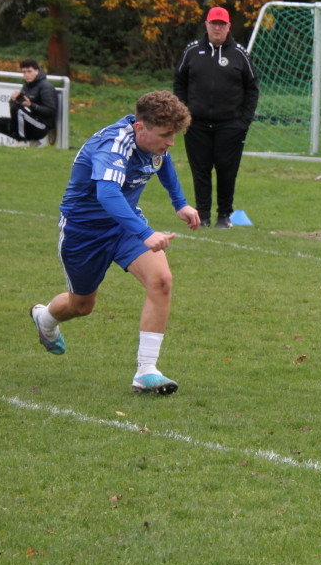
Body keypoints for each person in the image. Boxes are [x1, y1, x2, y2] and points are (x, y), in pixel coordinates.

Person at [28, 90, 201, 395]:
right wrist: (145, 233)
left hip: (124, 226)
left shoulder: (153, 142)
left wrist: (180, 203)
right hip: (84, 233)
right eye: (166, 135)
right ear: (140, 127)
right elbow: (107, 194)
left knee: (161, 281)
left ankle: (146, 371)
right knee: (82, 305)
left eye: (174, 134)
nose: (172, 142)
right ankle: (45, 319)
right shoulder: (113, 145)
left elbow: (162, 161)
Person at [173, 6, 259, 229]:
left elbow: (252, 88)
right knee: (200, 170)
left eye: (222, 24)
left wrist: (244, 121)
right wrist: (184, 113)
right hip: (197, 125)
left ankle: (224, 215)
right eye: (214, 24)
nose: (217, 28)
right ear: (207, 25)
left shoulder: (239, 53)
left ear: (229, 27)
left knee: (226, 171)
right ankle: (202, 216)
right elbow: (179, 82)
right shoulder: (192, 51)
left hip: (231, 125)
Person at [0, 59, 58, 144]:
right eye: (24, 72)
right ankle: (29, 141)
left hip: (42, 126)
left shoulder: (46, 86)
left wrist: (31, 105)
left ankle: (22, 141)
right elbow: (15, 108)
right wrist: (13, 100)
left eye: (29, 71)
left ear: (37, 71)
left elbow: (50, 111)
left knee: (19, 111)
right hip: (28, 121)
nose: (27, 75)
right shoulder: (27, 85)